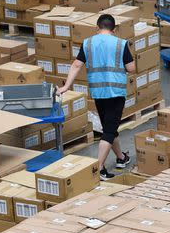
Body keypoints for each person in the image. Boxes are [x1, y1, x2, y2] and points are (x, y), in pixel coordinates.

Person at [57, 14, 136, 180]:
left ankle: (121, 158)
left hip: (98, 92)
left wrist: (65, 86)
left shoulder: (88, 43)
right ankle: (99, 168)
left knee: (109, 126)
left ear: (97, 27)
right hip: (115, 92)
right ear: (114, 30)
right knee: (109, 130)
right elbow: (131, 68)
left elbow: (77, 65)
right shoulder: (120, 44)